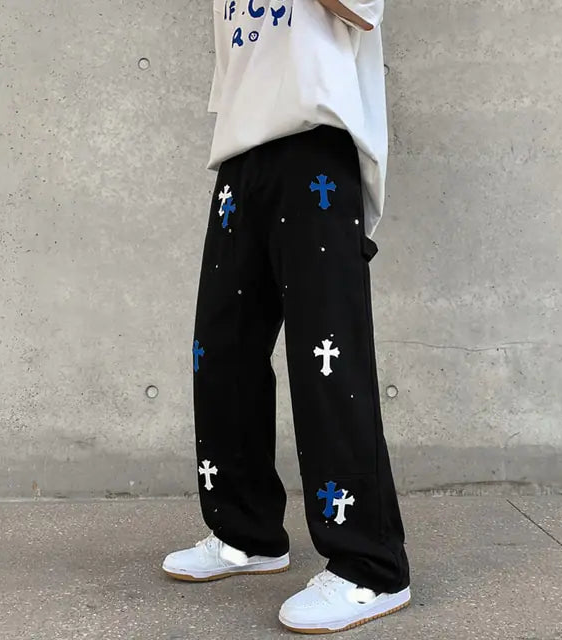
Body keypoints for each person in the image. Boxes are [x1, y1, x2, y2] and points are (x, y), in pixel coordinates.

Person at [162, 0, 411, 633]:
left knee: (328, 363)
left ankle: (371, 567)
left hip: (317, 147)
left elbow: (361, 12)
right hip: (242, 156)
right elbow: (238, 72)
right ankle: (245, 532)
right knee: (222, 354)